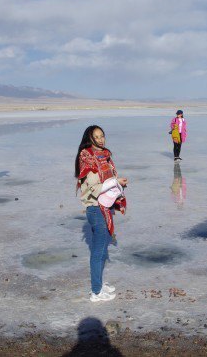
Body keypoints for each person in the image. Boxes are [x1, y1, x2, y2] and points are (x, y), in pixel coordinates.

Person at [75, 125, 128, 302]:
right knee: (98, 252)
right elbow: (93, 187)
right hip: (96, 208)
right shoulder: (87, 158)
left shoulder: (105, 156)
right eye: (96, 137)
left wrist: (118, 184)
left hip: (106, 207)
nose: (100, 139)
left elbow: (108, 181)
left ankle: (99, 283)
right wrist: (115, 182)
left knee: (103, 247)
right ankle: (96, 292)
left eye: (102, 136)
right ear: (89, 139)